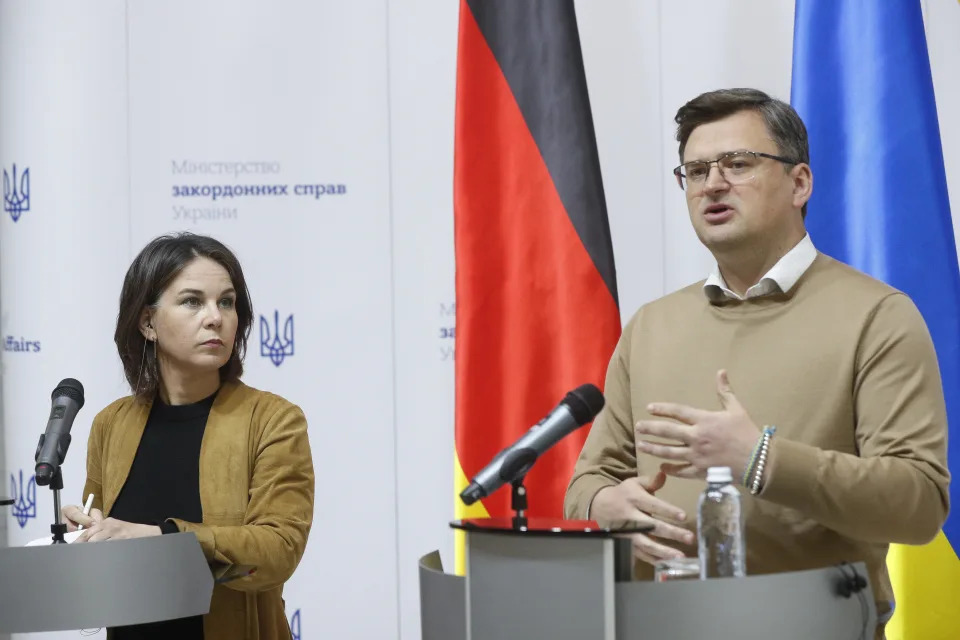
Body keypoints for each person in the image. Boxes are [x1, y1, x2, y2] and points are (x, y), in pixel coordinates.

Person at [564, 88, 949, 634]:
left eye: (738, 164)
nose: (713, 183)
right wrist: (603, 503)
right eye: (695, 171)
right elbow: (587, 481)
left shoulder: (878, 316)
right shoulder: (653, 324)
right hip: (655, 624)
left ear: (799, 183)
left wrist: (760, 458)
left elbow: (919, 504)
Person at [61, 233, 315, 640]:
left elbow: (278, 549)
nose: (215, 317)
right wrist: (83, 537)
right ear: (147, 323)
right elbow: (106, 559)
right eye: (192, 301)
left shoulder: (272, 420)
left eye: (226, 302)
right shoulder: (111, 424)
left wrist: (162, 538)